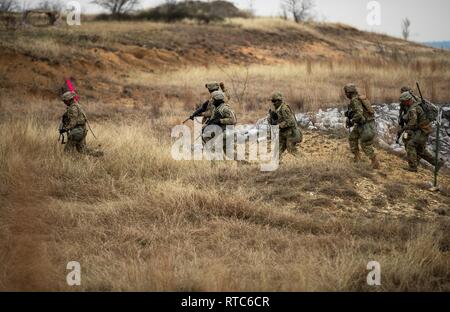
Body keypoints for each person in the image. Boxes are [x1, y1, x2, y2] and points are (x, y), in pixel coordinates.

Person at [399, 91, 443, 172]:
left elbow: (412, 123)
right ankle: (437, 163)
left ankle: (413, 167)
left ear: (408, 100)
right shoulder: (415, 104)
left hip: (422, 131)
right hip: (423, 130)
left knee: (410, 145)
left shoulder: (413, 109)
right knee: (420, 150)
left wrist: (403, 129)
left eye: (403, 101)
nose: (402, 103)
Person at [344, 83, 380, 169]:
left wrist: (352, 121)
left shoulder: (355, 100)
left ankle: (375, 162)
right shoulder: (359, 98)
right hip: (362, 124)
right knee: (352, 138)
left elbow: (359, 114)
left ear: (349, 92)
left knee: (365, 144)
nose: (345, 95)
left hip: (366, 125)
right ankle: (357, 158)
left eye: (346, 93)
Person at [267, 92, 302, 160]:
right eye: (272, 101)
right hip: (283, 133)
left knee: (291, 149)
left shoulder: (284, 108)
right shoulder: (276, 109)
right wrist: (271, 120)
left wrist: (279, 125)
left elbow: (290, 122)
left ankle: (304, 161)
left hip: (291, 133)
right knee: (277, 150)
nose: (273, 103)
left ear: (279, 100)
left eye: (275, 101)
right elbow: (275, 120)